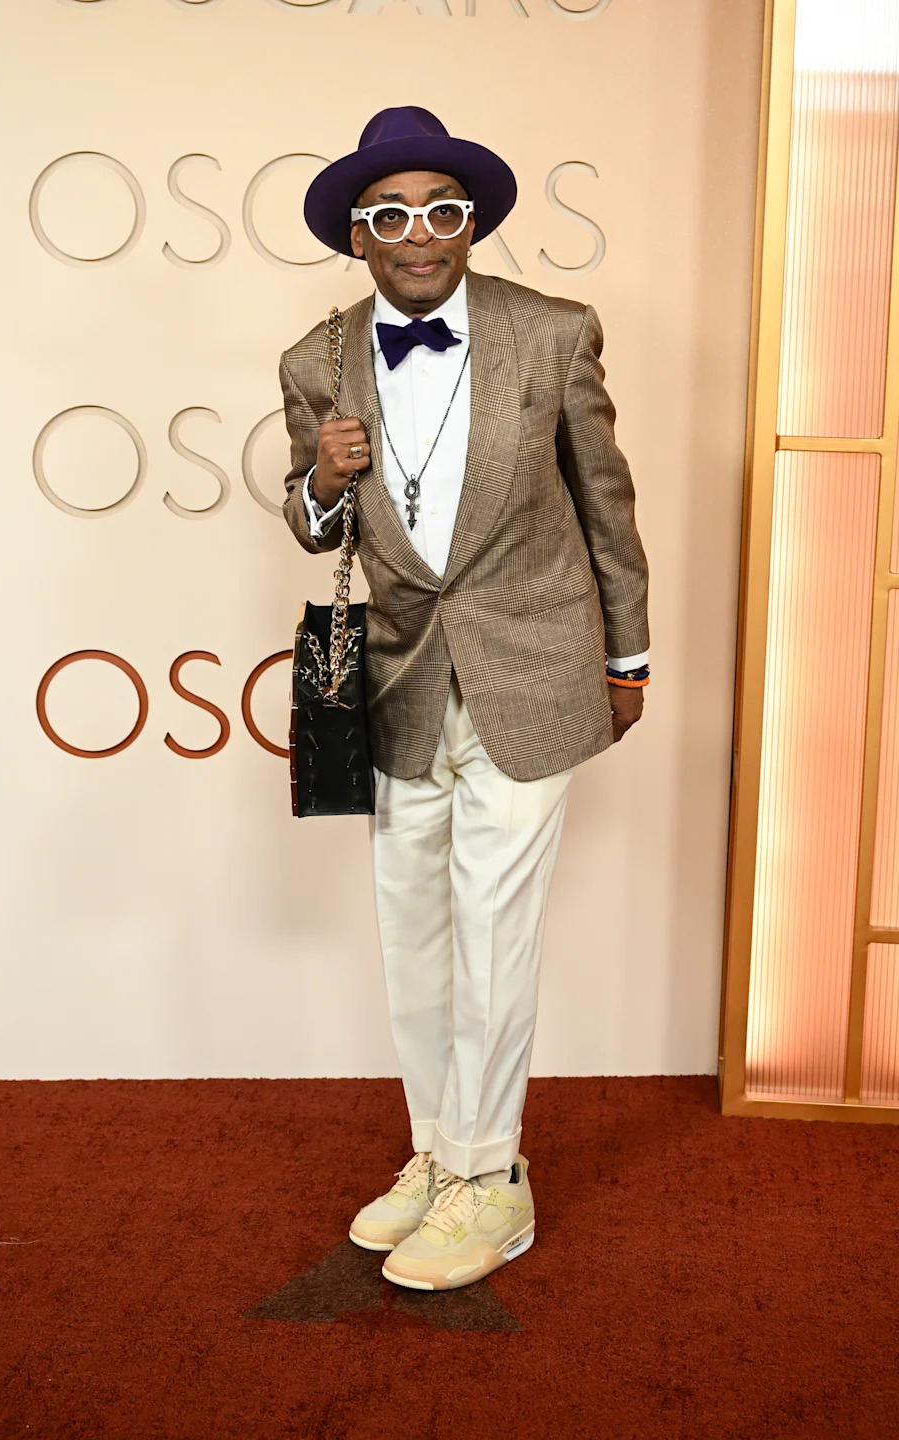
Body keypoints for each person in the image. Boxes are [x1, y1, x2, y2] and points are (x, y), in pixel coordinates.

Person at [279, 106, 649, 1292]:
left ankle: (494, 1179)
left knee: (495, 924)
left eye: (443, 210)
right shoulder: (315, 360)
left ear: (472, 222)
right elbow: (312, 525)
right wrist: (323, 485)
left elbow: (605, 500)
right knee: (416, 929)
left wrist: (627, 656)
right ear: (358, 234)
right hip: (396, 673)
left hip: (534, 664)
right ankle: (438, 1153)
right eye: (393, 215)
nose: (421, 233)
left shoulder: (552, 334)